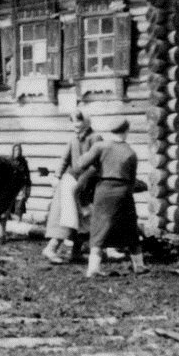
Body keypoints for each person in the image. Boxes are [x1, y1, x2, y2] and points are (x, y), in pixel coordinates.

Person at [70, 118, 146, 278]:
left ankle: (93, 268)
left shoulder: (100, 146)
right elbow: (132, 181)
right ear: (126, 132)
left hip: (104, 191)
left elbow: (80, 164)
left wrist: (96, 165)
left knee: (99, 229)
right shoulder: (130, 152)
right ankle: (139, 265)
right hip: (124, 192)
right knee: (130, 228)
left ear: (111, 132)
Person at [42, 111, 100, 263]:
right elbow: (64, 159)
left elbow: (97, 162)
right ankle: (51, 248)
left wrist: (86, 180)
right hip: (71, 183)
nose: (76, 128)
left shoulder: (95, 138)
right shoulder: (72, 139)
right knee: (69, 217)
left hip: (87, 184)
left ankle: (76, 252)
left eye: (79, 124)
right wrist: (56, 176)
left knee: (85, 219)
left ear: (86, 123)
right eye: (74, 125)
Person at [10, 143, 31, 222]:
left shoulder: (23, 162)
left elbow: (27, 176)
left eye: (19, 150)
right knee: (10, 207)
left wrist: (28, 189)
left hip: (21, 188)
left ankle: (18, 222)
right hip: (11, 188)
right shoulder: (10, 161)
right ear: (13, 151)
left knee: (20, 206)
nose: (17, 152)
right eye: (16, 150)